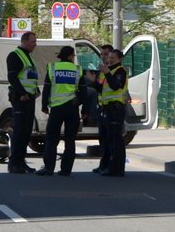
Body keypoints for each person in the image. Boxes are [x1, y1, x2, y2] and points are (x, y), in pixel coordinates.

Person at [37, 45, 85, 176]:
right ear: (70, 56)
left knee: (52, 139)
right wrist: (84, 109)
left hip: (57, 109)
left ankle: (48, 168)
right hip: (72, 109)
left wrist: (44, 105)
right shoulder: (78, 70)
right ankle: (66, 170)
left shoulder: (53, 68)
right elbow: (83, 91)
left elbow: (46, 88)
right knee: (70, 140)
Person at [6, 31, 39, 174]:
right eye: (33, 42)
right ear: (24, 41)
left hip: (29, 98)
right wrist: (23, 93)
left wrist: (36, 89)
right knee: (19, 132)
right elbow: (12, 77)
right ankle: (14, 163)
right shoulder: (15, 55)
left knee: (26, 132)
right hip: (21, 99)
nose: (35, 44)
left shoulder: (28, 57)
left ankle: (21, 161)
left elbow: (29, 77)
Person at [98, 48, 129, 177]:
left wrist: (107, 74)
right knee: (108, 139)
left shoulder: (120, 70)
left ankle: (116, 168)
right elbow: (101, 89)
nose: (109, 60)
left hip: (115, 108)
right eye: (108, 57)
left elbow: (116, 86)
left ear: (120, 59)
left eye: (112, 58)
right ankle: (109, 166)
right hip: (106, 108)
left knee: (116, 140)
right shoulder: (108, 71)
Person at [90, 44, 113, 173]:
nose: (103, 57)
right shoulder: (102, 71)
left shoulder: (112, 70)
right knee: (102, 138)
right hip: (102, 107)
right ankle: (103, 164)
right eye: (101, 54)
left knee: (110, 138)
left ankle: (109, 165)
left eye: (106, 54)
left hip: (112, 108)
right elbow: (100, 89)